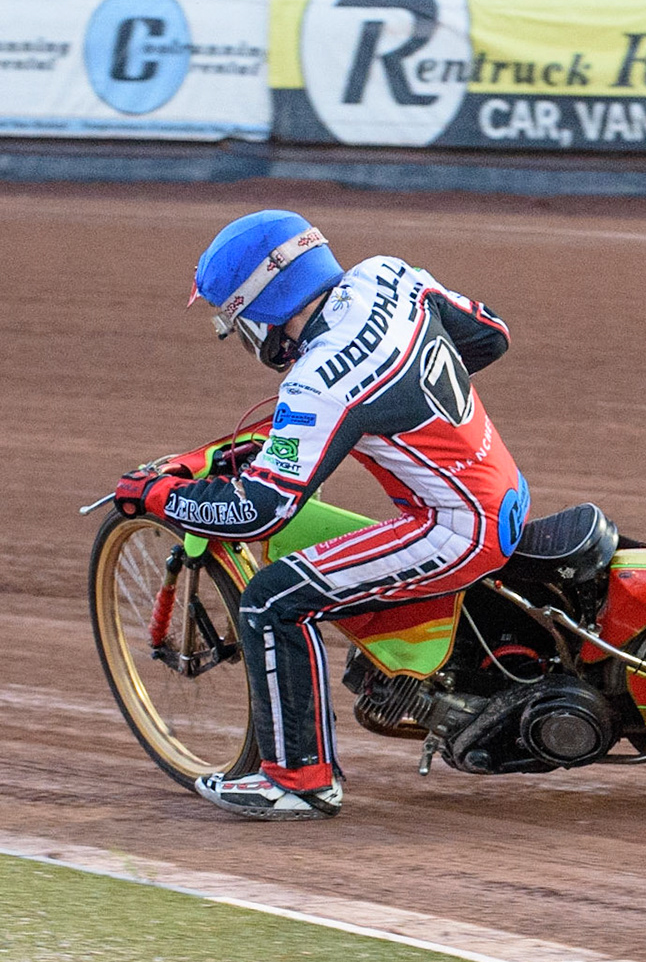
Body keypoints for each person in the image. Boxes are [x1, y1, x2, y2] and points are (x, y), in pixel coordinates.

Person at [113, 210, 527, 820]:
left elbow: (258, 511)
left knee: (270, 599)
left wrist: (152, 498)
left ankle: (298, 781)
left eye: (242, 322)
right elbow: (491, 335)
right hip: (504, 488)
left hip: (456, 528)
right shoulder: (387, 275)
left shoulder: (317, 381)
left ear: (266, 305)